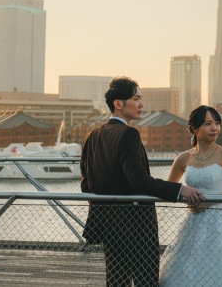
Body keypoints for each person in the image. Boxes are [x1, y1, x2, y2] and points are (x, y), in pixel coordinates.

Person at [80, 77, 205, 287]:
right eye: (136, 98)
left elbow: (86, 184)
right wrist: (179, 189)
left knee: (116, 280)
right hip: (136, 223)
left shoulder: (92, 135)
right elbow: (138, 181)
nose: (141, 104)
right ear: (118, 104)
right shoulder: (128, 133)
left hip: (108, 222)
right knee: (145, 280)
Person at [159, 105, 222, 286]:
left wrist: (210, 202)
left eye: (217, 123)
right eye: (208, 123)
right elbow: (170, 187)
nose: (215, 128)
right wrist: (186, 198)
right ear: (194, 128)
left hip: (219, 222)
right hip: (193, 222)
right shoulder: (183, 157)